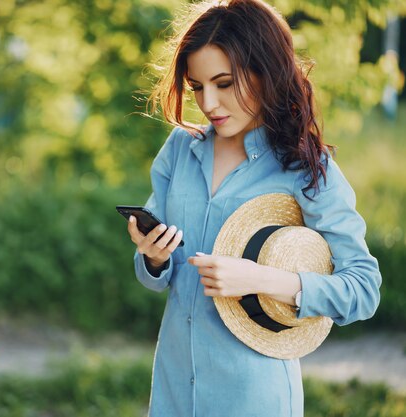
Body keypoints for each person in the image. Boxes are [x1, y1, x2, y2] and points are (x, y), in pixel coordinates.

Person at [125, 1, 382, 416]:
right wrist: (153, 258)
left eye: (224, 83)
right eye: (197, 87)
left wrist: (263, 279)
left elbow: (363, 290)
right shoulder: (178, 150)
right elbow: (159, 278)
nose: (208, 103)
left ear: (265, 71)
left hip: (254, 399)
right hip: (173, 392)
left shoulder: (306, 168)